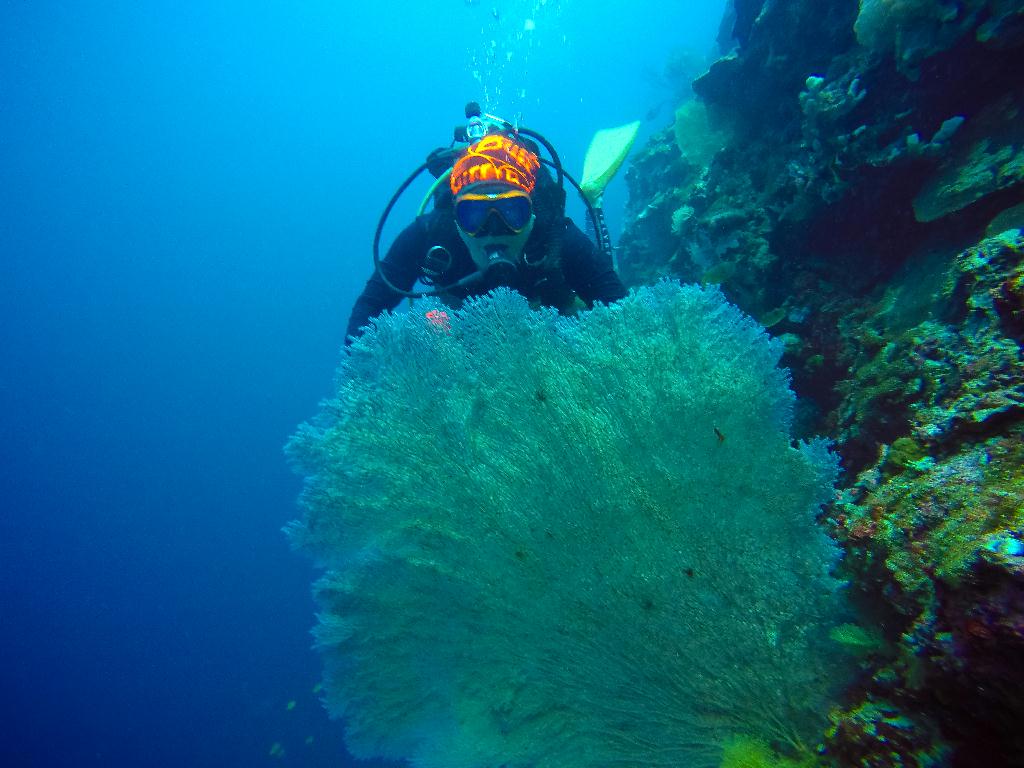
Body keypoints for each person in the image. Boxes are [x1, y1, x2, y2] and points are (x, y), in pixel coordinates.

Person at [345, 129, 627, 344]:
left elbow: (618, 308)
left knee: (587, 297)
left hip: (552, 311)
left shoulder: (554, 238)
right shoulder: (431, 235)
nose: (493, 231)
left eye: (512, 211)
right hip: (466, 333)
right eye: (474, 214)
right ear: (456, 220)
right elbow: (371, 305)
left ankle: (594, 203)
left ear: (531, 214)